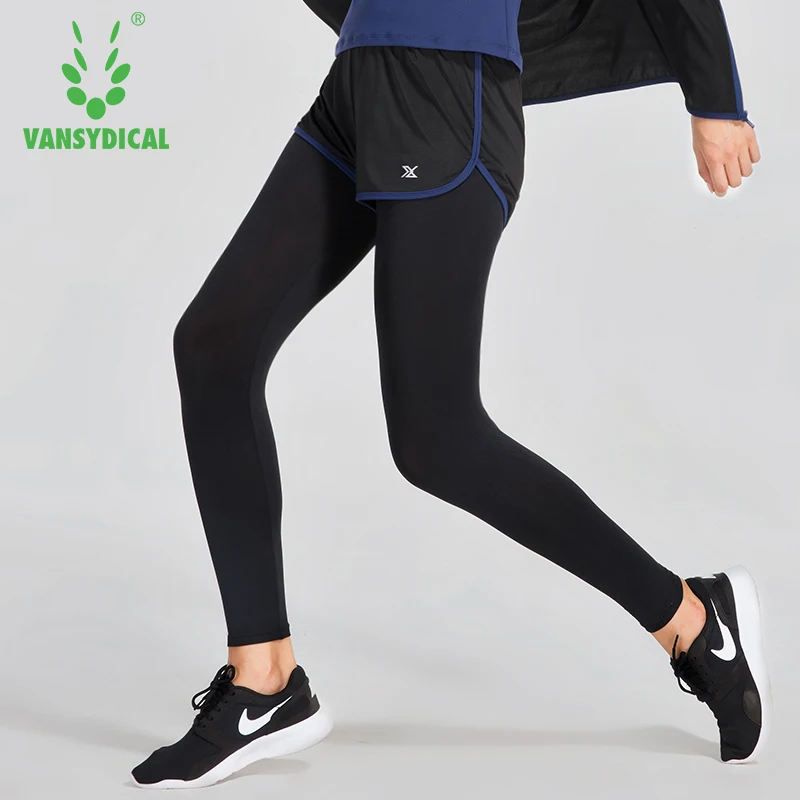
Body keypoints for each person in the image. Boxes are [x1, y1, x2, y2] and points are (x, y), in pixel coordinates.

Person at [131, 0, 769, 789]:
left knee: (438, 437)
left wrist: (716, 99)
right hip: (363, 77)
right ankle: (265, 681)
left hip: (447, 84)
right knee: (215, 347)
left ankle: (693, 621)